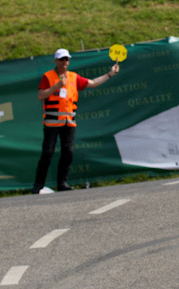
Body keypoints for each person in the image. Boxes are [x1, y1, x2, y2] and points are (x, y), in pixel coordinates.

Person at [32, 48, 120, 193]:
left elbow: (91, 83)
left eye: (67, 59)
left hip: (69, 122)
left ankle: (62, 183)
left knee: (68, 152)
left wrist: (110, 74)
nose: (65, 62)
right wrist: (56, 86)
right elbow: (41, 95)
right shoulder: (48, 76)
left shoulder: (73, 77)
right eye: (62, 59)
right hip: (52, 123)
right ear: (56, 61)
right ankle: (38, 185)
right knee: (47, 153)